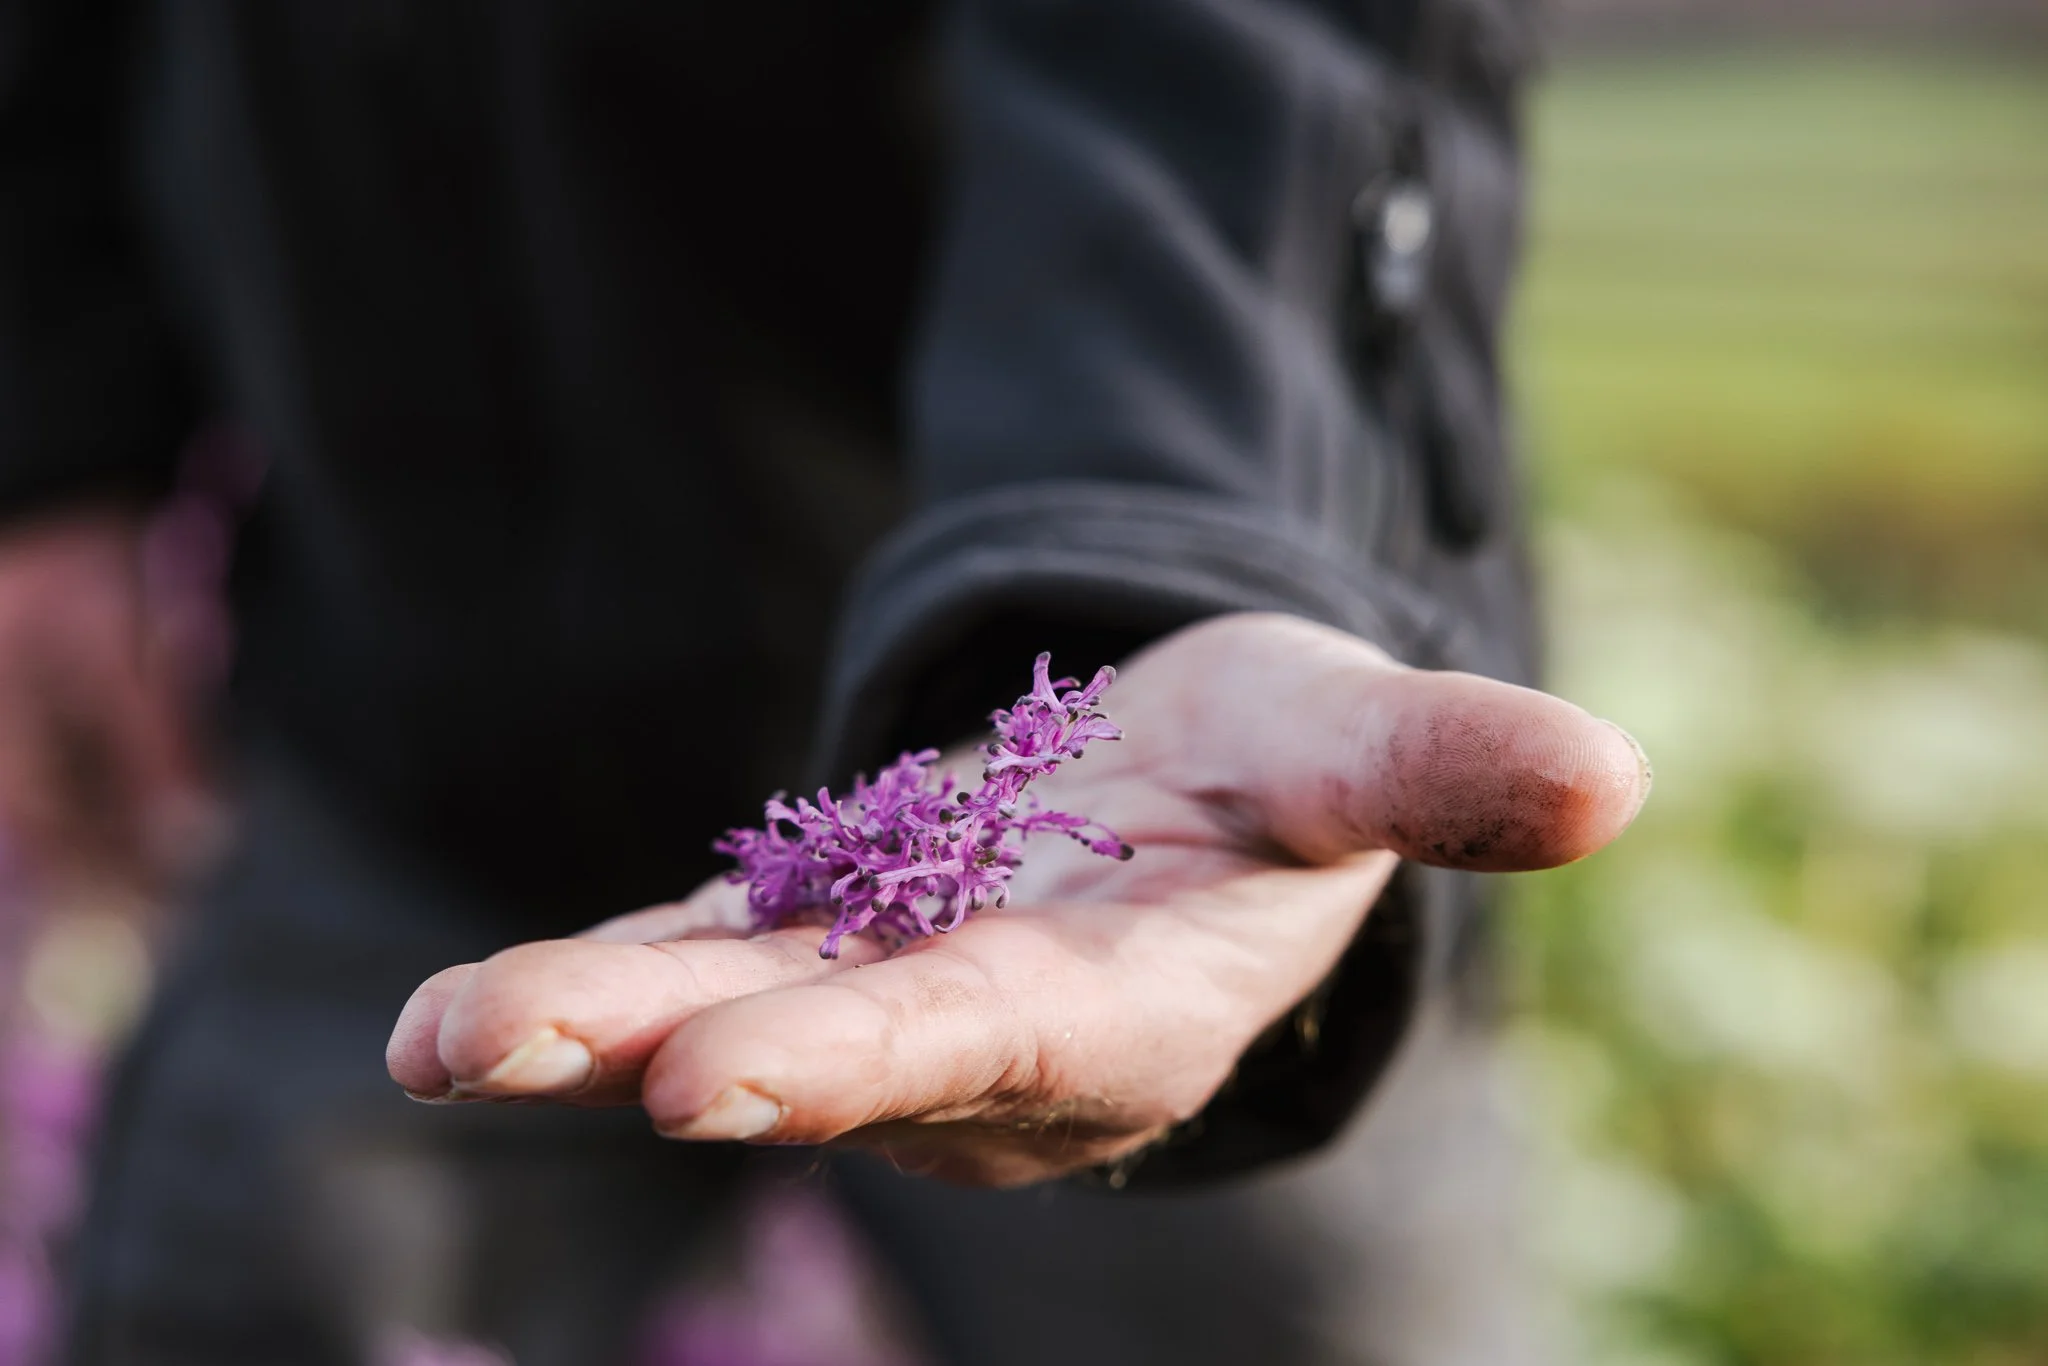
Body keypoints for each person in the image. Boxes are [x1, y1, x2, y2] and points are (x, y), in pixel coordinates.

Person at [0, 1, 1648, 1362]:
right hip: (406, 704)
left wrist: (1187, 556)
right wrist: (53, 436)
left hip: (1090, 784)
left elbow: (1250, 76)